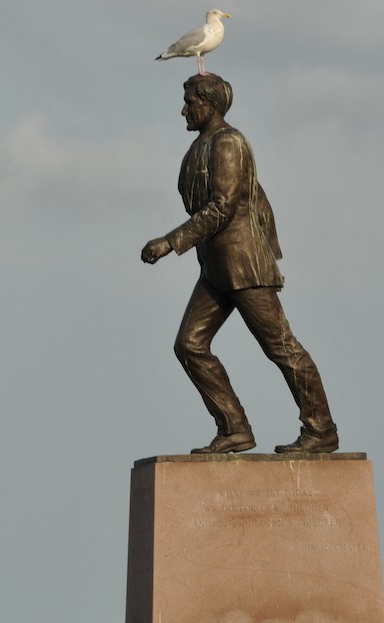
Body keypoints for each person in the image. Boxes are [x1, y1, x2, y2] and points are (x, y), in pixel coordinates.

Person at [140, 74, 338, 454]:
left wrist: (170, 241)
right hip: (215, 268)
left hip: (244, 265)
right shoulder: (198, 148)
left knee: (281, 347)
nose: (184, 110)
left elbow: (223, 207)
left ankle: (321, 428)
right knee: (189, 344)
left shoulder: (229, 143)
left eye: (190, 103)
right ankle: (234, 427)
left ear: (210, 105)